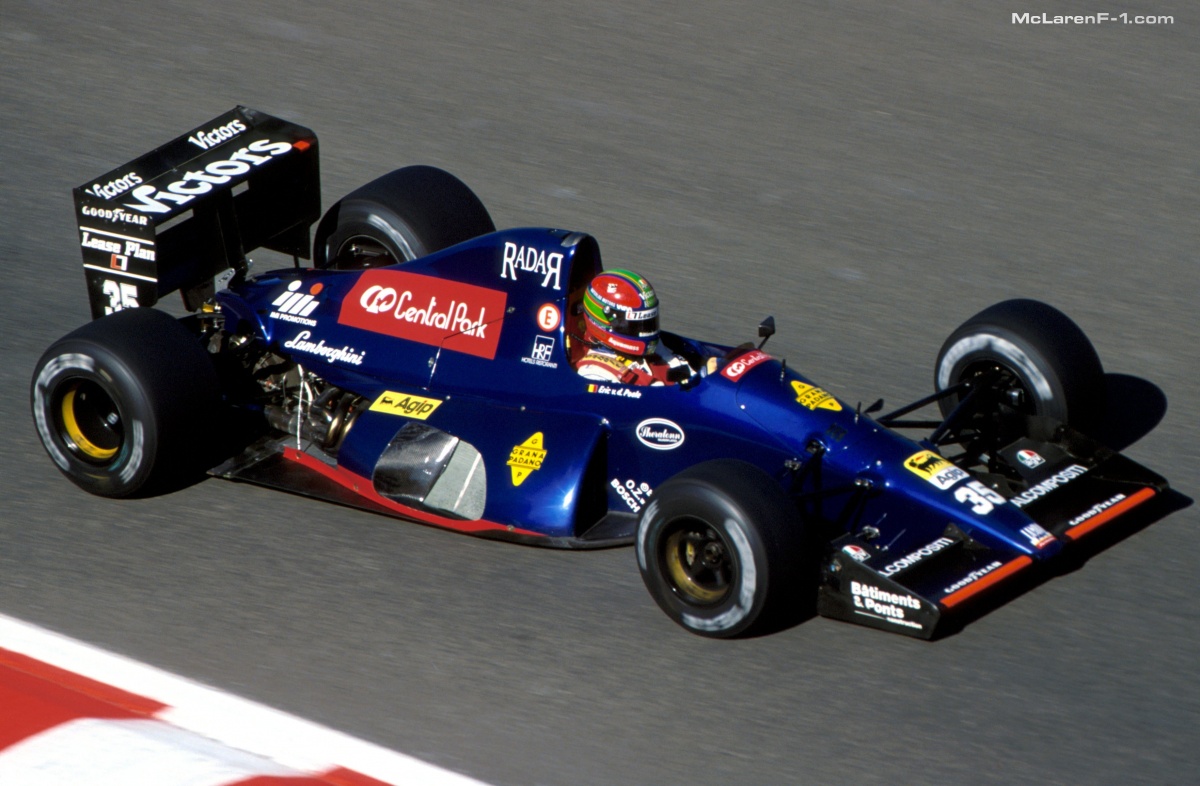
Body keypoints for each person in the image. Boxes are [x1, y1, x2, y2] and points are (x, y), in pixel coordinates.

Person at [572, 269, 695, 386]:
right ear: (606, 321)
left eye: (648, 322)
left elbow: (683, 370)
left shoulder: (651, 344)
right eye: (635, 324)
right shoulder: (594, 373)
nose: (644, 330)